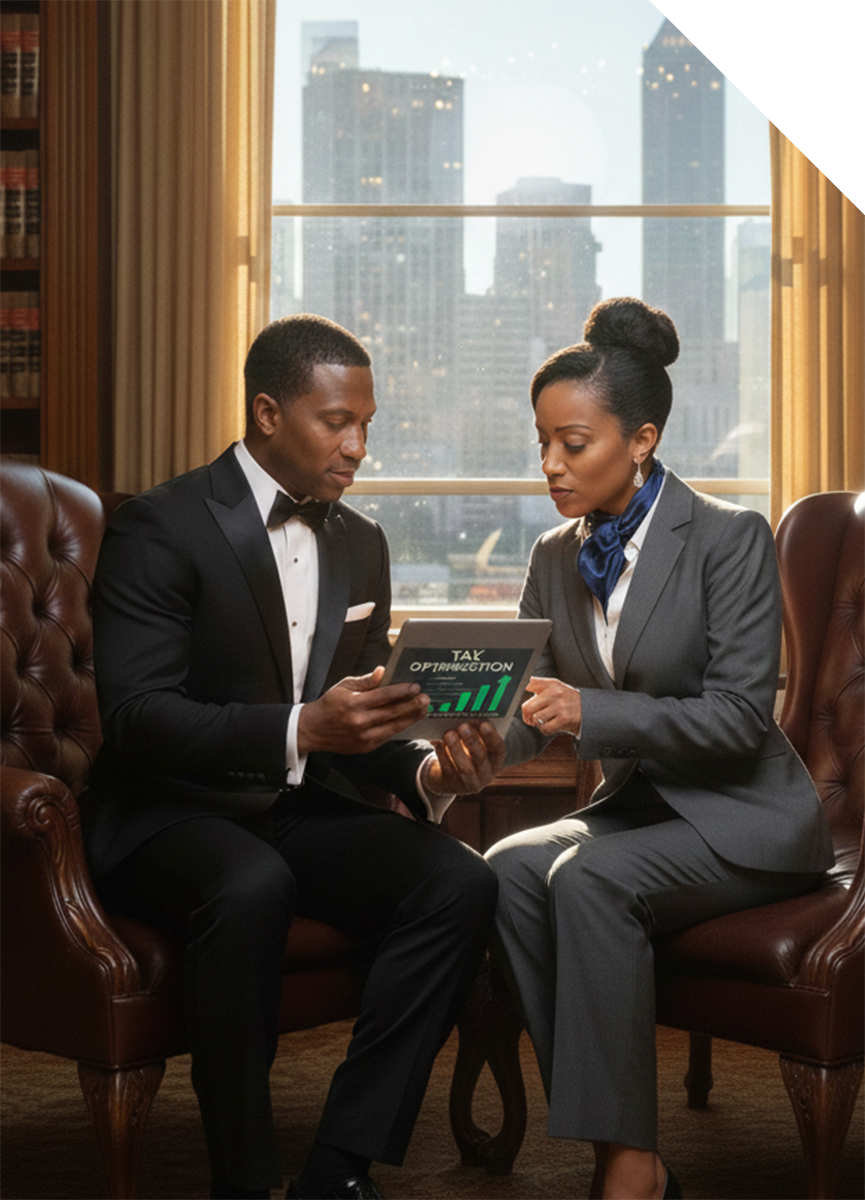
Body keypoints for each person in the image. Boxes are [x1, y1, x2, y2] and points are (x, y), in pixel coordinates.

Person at [81, 314, 503, 1200]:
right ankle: (241, 1178)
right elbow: (137, 718)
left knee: (460, 881)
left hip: (293, 809)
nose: (357, 447)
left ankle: (339, 1164)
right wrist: (299, 729)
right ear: (267, 413)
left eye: (367, 426)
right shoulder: (159, 525)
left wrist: (431, 771)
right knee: (250, 884)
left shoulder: (362, 543)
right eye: (336, 422)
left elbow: (361, 724)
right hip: (168, 811)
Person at [484, 297, 834, 1200]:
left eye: (573, 443)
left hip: (749, 822)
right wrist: (464, 741)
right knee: (508, 868)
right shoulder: (553, 557)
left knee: (585, 878)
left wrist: (586, 713)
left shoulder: (729, 537)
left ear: (639, 440)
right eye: (541, 444)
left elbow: (736, 720)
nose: (550, 466)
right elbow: (531, 707)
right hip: (642, 811)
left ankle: (625, 1172)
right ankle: (623, 1155)